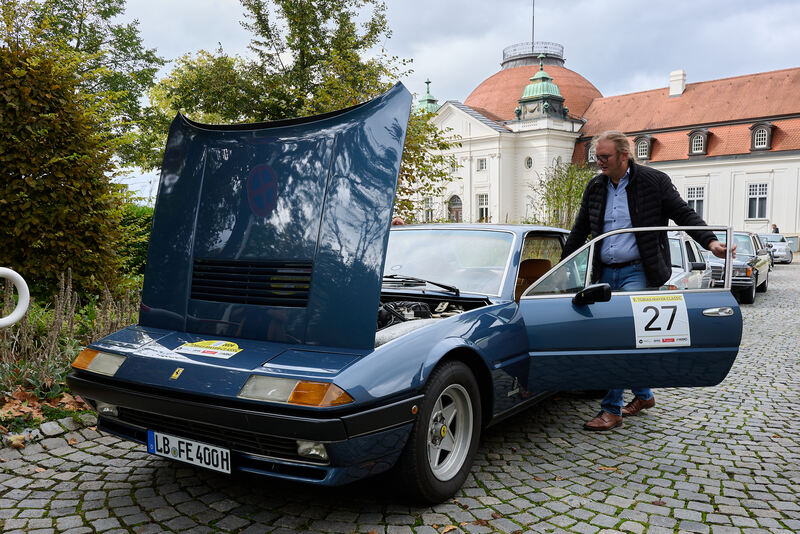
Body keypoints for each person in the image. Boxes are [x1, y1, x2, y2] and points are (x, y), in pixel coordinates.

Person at [562, 130, 733, 431]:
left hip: (639, 272)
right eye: (596, 157)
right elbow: (580, 230)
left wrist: (711, 243)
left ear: (624, 155)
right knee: (626, 338)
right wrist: (561, 266)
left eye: (605, 157)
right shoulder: (595, 187)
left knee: (621, 337)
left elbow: (683, 213)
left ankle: (611, 410)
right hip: (605, 274)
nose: (599, 162)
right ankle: (644, 394)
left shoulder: (655, 181)